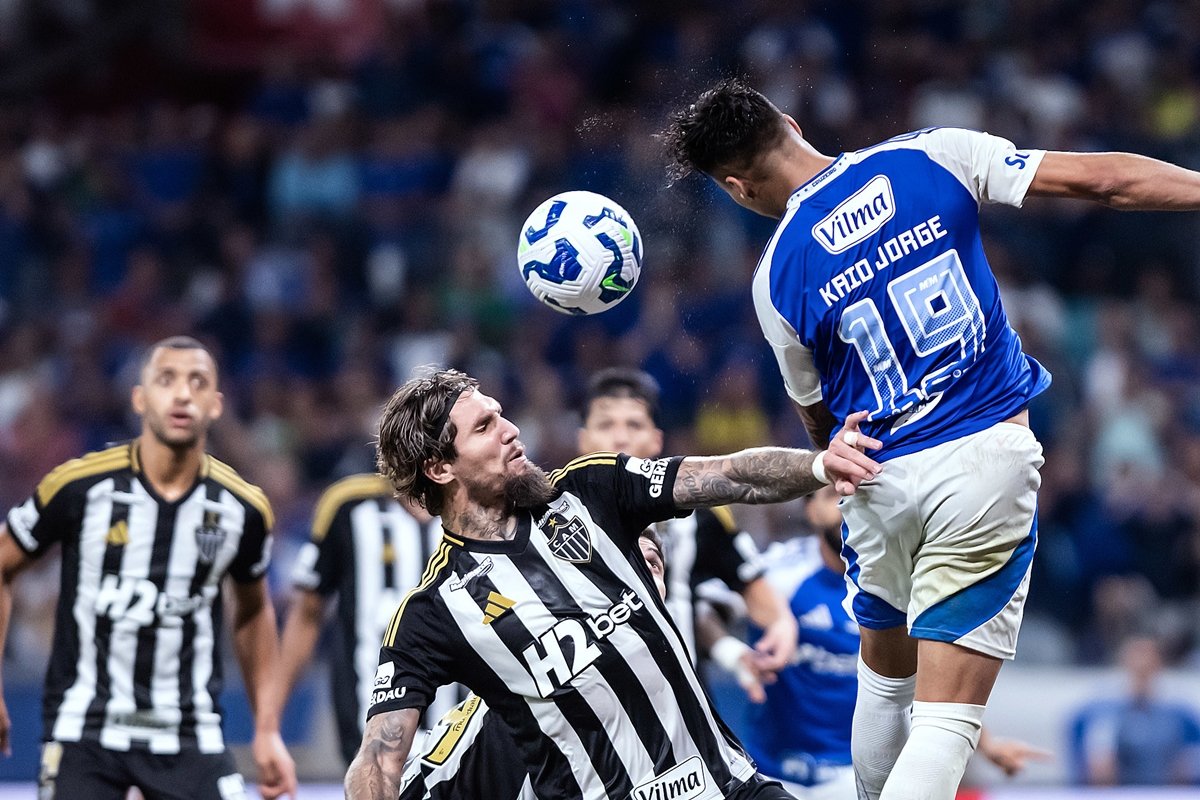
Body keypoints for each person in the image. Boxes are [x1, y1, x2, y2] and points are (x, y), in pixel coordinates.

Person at [662, 78, 1200, 800]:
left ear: (734, 186)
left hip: (880, 484)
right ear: (789, 122)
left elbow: (822, 427)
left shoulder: (775, 278)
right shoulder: (931, 155)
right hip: (980, 464)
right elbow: (1104, 181)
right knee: (946, 721)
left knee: (885, 683)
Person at [343, 367, 881, 800]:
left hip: (728, 785)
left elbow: (730, 473)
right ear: (439, 469)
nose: (511, 430)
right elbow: (379, 757)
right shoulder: (435, 610)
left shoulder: (589, 489)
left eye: (501, 416)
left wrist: (818, 465)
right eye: (485, 428)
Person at [0, 335, 297, 799]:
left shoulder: (243, 508)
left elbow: (254, 612)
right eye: (166, 380)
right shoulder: (79, 485)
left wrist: (267, 728)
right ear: (140, 399)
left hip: (189, 733)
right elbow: (3, 565)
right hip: (85, 731)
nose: (182, 393)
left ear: (216, 405)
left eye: (197, 382)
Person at [740, 487, 1049, 799]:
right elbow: (705, 605)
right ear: (810, 510)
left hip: (854, 776)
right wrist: (732, 653)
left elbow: (930, 677)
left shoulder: (904, 576)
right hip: (773, 773)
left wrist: (987, 745)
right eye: (833, 495)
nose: (846, 506)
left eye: (855, 495)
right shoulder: (775, 574)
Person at [398, 530, 670, 800]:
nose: (642, 575)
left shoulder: (675, 709)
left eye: (653, 564)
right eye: (625, 561)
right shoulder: (526, 705)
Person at [577, 368, 794, 696]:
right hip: (593, 711)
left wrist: (781, 623)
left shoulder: (697, 515)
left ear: (656, 440)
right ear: (583, 439)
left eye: (634, 425)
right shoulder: (548, 518)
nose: (620, 437)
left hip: (683, 707)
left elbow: (748, 581)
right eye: (606, 425)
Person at [275, 471, 448, 766]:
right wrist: (270, 722)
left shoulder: (483, 504)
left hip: (461, 722)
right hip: (367, 719)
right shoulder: (348, 505)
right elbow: (307, 612)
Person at [1068, 635, 1200, 786]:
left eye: (1147, 656)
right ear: (1124, 661)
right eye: (1136, 655)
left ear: (1158, 663)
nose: (1142, 663)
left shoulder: (1179, 714)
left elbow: (1188, 763)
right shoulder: (1103, 712)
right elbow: (1099, 763)